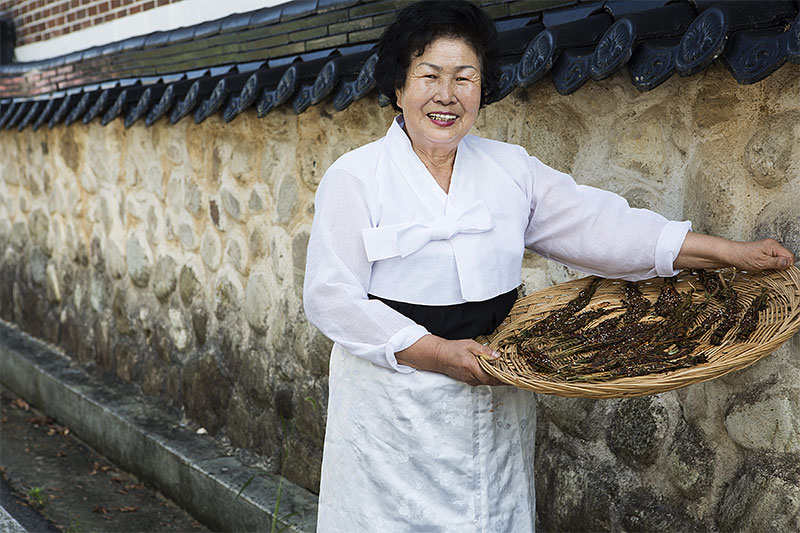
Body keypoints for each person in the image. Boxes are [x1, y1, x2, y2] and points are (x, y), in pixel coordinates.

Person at [302, 1, 796, 531]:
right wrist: (438, 353)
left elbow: (601, 226)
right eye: (429, 76)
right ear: (398, 88)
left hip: (495, 381)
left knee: (493, 515)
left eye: (464, 77)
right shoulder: (354, 178)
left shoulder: (509, 169)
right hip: (394, 405)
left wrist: (728, 253)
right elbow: (331, 297)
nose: (446, 95)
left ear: (481, 89)